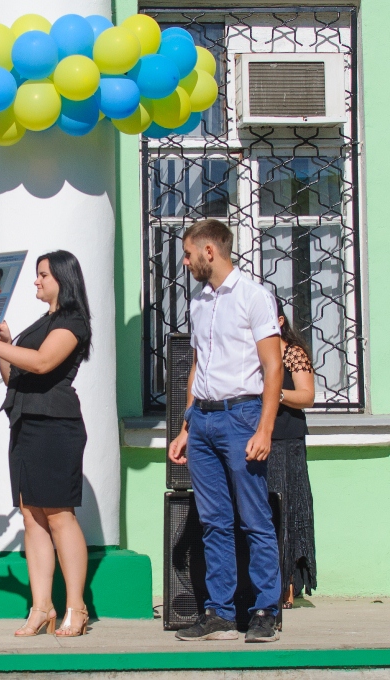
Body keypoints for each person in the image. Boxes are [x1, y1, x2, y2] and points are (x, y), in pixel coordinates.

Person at [0, 250, 94, 638]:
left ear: (63, 279)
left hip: (55, 426)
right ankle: (41, 606)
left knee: (59, 515)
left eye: (43, 275)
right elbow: (15, 374)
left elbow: (42, 363)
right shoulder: (43, 321)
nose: (36, 280)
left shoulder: (72, 321)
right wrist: (4, 342)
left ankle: (76, 607)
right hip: (25, 422)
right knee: (31, 516)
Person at [168, 218, 283, 643]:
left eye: (187, 254)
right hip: (202, 421)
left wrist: (265, 429)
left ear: (209, 251)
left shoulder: (254, 296)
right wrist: (186, 426)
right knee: (213, 521)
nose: (185, 262)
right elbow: (198, 365)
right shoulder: (199, 302)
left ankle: (266, 610)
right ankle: (219, 612)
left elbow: (273, 366)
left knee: (254, 518)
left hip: (242, 417)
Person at [267, 301, 317, 608]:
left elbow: (307, 396)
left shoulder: (292, 352)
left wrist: (276, 392)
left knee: (287, 510)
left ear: (280, 320)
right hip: (256, 439)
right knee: (263, 513)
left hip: (287, 441)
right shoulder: (253, 353)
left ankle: (288, 581)